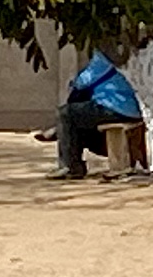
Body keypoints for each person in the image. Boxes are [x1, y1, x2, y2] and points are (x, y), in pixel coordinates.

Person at [54, 48, 141, 179]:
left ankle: (70, 166)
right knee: (77, 115)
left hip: (113, 106)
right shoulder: (124, 58)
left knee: (66, 113)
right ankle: (60, 135)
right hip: (130, 108)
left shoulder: (102, 59)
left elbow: (82, 82)